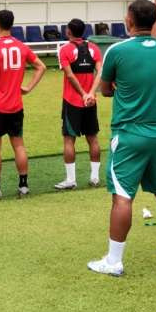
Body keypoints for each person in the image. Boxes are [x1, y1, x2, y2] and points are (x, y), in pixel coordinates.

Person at [86, 0, 156, 276]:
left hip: (129, 134)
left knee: (121, 196)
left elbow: (105, 90)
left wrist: (119, 86)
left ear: (129, 19)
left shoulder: (117, 51)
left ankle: (113, 261)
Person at [0, 10, 47, 199]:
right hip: (16, 106)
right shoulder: (22, 47)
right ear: (12, 25)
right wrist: (28, 88)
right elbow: (41, 67)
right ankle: (23, 186)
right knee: (19, 146)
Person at [53, 18, 102, 190]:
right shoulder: (94, 48)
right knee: (93, 138)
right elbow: (100, 71)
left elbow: (70, 76)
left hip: (72, 101)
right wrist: (91, 94)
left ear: (68, 32)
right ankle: (95, 178)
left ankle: (71, 180)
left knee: (69, 140)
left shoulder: (65, 50)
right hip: (90, 102)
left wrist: (82, 94)